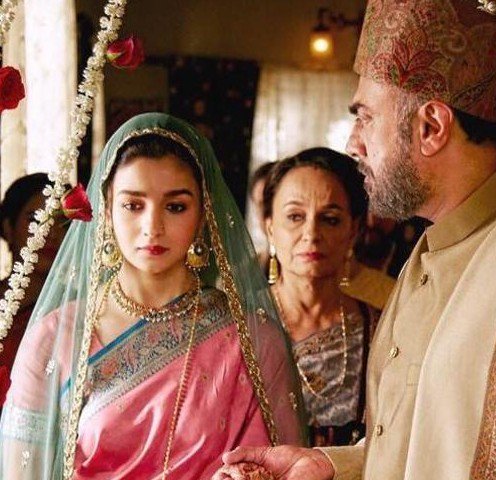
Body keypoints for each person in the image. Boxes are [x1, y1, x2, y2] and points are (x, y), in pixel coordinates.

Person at [217, 1, 496, 479]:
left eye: (366, 117)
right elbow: (427, 449)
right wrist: (331, 465)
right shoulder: (428, 257)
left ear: (431, 127)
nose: (354, 143)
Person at [0, 113, 304, 479]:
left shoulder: (252, 341)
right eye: (133, 205)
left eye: (175, 206)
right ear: (106, 210)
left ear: (203, 214)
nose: (152, 227)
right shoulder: (56, 337)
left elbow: (286, 467)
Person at [262, 147, 386, 447]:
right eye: (295, 217)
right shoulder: (237, 327)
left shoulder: (381, 331)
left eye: (330, 219)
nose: (311, 233)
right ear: (270, 229)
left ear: (353, 230)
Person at [0, 173, 66, 372]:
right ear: (8, 228)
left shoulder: (73, 311)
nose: (51, 233)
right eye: (36, 220)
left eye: (61, 222)